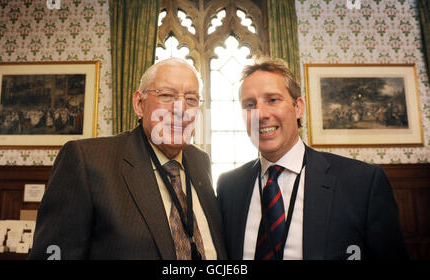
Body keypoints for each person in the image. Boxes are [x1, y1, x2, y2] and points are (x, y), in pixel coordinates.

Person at [29, 58, 226, 260]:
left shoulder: (200, 161)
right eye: (166, 95)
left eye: (191, 99)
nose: (181, 109)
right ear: (140, 104)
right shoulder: (86, 160)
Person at [216, 57, 408, 260]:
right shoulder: (229, 186)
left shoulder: (363, 182)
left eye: (273, 100)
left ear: (298, 107)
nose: (260, 114)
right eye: (249, 104)